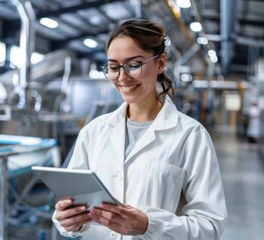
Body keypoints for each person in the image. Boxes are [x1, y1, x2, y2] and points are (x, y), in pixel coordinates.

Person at [52, 18, 227, 239]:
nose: (122, 77)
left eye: (134, 65)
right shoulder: (94, 131)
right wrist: (68, 221)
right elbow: (73, 205)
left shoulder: (191, 136)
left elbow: (209, 226)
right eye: (114, 67)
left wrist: (148, 225)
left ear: (160, 63)